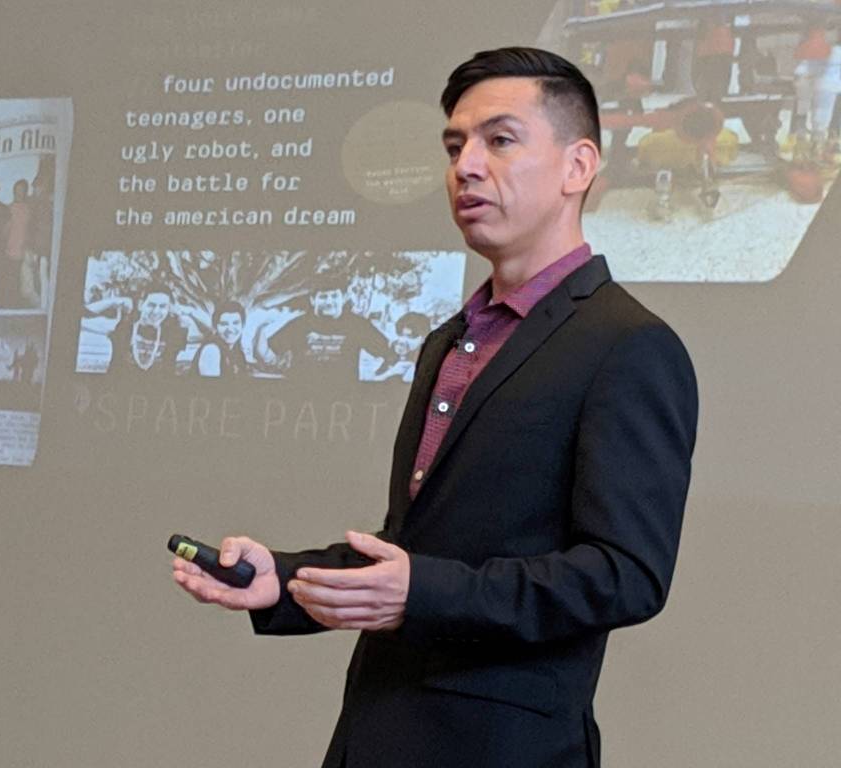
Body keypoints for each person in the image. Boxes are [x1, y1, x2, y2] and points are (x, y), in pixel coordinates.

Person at [172, 46, 699, 768]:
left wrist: (422, 592)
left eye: (500, 140)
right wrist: (284, 580)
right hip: (377, 736)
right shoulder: (451, 342)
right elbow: (418, 549)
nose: (467, 166)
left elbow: (624, 574)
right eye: (455, 146)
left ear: (578, 168)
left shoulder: (628, 345)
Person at [255, 273, 396, 380]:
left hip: (343, 400)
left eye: (334, 296)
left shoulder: (357, 324)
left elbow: (388, 353)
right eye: (323, 297)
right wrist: (260, 328)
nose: (329, 302)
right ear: (312, 300)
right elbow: (268, 353)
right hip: (302, 396)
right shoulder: (299, 324)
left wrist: (377, 377)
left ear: (343, 298)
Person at [194, 301, 250, 378]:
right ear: (215, 327)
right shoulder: (211, 350)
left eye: (236, 323)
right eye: (224, 324)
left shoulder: (237, 351)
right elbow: (210, 387)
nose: (230, 329)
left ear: (242, 325)